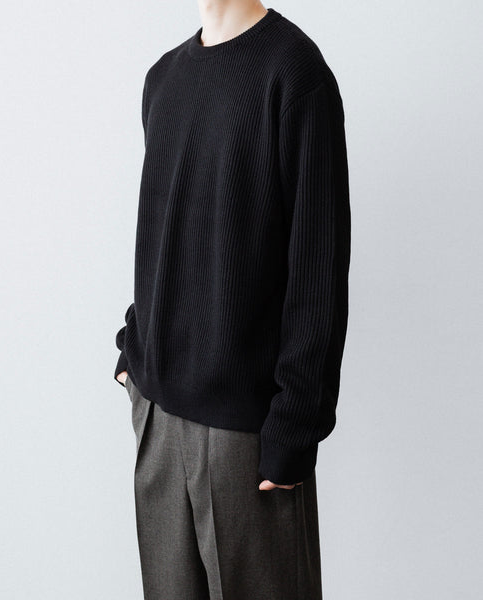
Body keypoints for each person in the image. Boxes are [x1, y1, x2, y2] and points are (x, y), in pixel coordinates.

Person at [113, 1, 350, 598]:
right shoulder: (163, 78)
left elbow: (318, 262)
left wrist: (296, 422)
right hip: (157, 416)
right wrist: (133, 343)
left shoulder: (294, 72)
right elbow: (160, 230)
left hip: (247, 433)